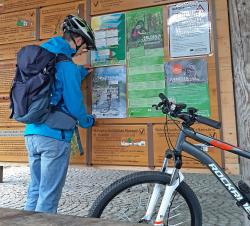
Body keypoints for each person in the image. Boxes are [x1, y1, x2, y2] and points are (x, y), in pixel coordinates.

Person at [23, 15, 96, 214]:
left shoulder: (43, 57)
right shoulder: (66, 65)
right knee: (48, 196)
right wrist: (87, 121)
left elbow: (54, 82)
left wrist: (79, 73)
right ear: (78, 40)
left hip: (32, 133)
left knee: (35, 190)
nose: (81, 52)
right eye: (83, 48)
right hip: (54, 137)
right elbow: (74, 106)